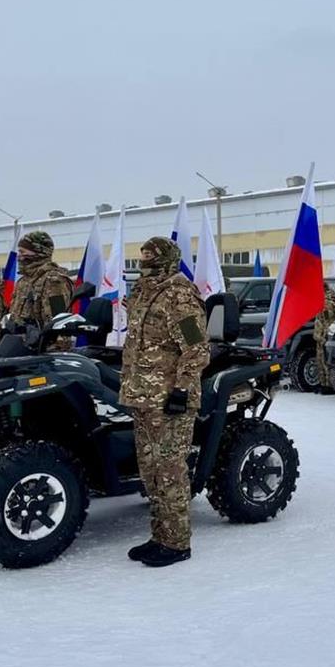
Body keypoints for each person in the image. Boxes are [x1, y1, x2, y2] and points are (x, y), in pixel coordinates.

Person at [120, 237, 210, 568]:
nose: (145, 261)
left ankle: (176, 544)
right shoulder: (143, 292)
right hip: (142, 397)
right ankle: (159, 536)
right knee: (151, 472)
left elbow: (197, 349)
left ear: (169, 259)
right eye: (142, 255)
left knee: (170, 471)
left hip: (170, 399)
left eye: (151, 257)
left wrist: (182, 390)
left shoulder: (180, 294)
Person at [9, 231, 73, 349]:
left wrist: (56, 357)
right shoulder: (23, 282)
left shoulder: (53, 281)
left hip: (42, 354)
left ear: (39, 252)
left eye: (23, 252)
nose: (19, 256)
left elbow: (58, 322)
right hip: (19, 351)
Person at [313, 282, 335, 394]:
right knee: (319, 360)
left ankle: (329, 385)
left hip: (325, 335)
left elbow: (328, 320)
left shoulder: (328, 302)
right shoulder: (321, 300)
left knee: (325, 361)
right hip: (319, 335)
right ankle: (323, 383)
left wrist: (323, 335)